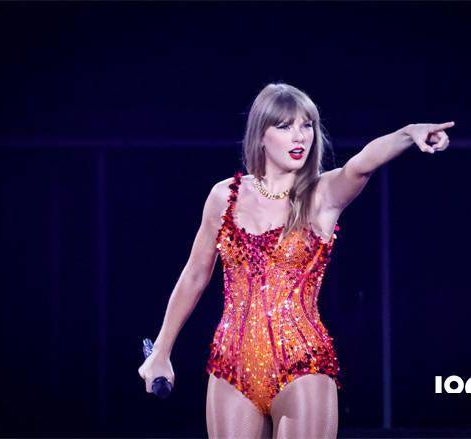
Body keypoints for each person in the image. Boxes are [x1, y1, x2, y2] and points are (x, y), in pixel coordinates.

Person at [138, 82, 454, 438]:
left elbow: (361, 165)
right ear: (261, 135)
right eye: (285, 126)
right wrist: (161, 350)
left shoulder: (322, 194)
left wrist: (408, 134)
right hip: (231, 366)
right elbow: (195, 275)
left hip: (302, 365)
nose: (299, 136)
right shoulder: (224, 196)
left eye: (307, 125)